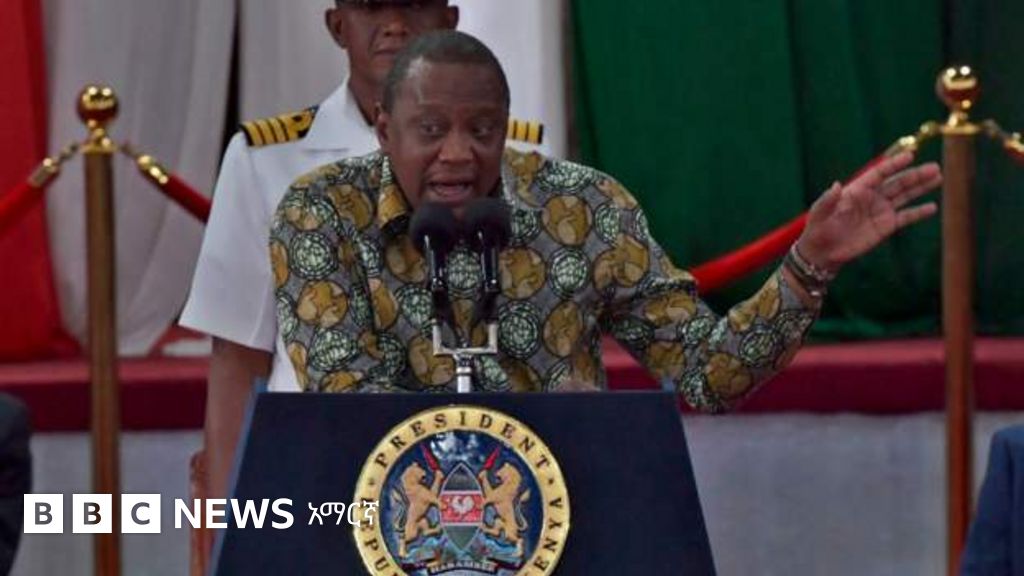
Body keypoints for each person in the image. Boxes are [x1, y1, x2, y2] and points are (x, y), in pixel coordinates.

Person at [270, 31, 943, 399]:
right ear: (384, 130)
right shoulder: (321, 214)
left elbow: (706, 374)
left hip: (565, 515)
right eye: (430, 130)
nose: (457, 153)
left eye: (481, 129)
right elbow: (346, 399)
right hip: (380, 517)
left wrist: (807, 267)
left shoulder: (583, 210)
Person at [180, 0, 460, 501]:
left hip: (467, 460)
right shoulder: (266, 159)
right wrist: (232, 529)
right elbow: (238, 356)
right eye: (371, 7)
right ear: (337, 26)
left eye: (415, 5)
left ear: (450, 22)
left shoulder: (514, 156)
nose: (395, 25)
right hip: (318, 468)